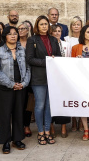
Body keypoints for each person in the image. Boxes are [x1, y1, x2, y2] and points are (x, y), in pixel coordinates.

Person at [0, 26, 30, 154]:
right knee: (5, 114)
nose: (13, 36)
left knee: (19, 112)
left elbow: (28, 68)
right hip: (5, 87)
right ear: (5, 36)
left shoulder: (23, 50)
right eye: (10, 34)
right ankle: (5, 141)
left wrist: (24, 83)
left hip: (21, 86)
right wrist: (11, 84)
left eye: (15, 33)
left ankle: (17, 139)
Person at [26, 15, 61, 146]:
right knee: (40, 105)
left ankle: (47, 131)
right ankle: (40, 132)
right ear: (37, 26)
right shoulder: (32, 40)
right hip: (39, 78)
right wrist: (47, 60)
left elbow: (58, 56)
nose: (44, 26)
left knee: (49, 106)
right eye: (41, 24)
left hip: (52, 77)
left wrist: (54, 58)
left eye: (46, 24)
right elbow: (29, 59)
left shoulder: (53, 39)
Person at [49, 24, 70, 137]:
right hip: (52, 76)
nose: (57, 33)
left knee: (63, 101)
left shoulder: (66, 44)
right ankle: (51, 127)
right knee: (52, 101)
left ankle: (63, 127)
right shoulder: (49, 44)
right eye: (55, 31)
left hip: (63, 76)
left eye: (59, 31)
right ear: (51, 33)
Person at [64, 16, 83, 131]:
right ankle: (74, 122)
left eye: (78, 24)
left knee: (81, 97)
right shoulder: (66, 39)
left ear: (81, 26)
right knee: (72, 97)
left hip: (82, 72)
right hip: (71, 71)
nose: (76, 26)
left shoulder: (84, 39)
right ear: (71, 26)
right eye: (74, 24)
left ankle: (81, 121)